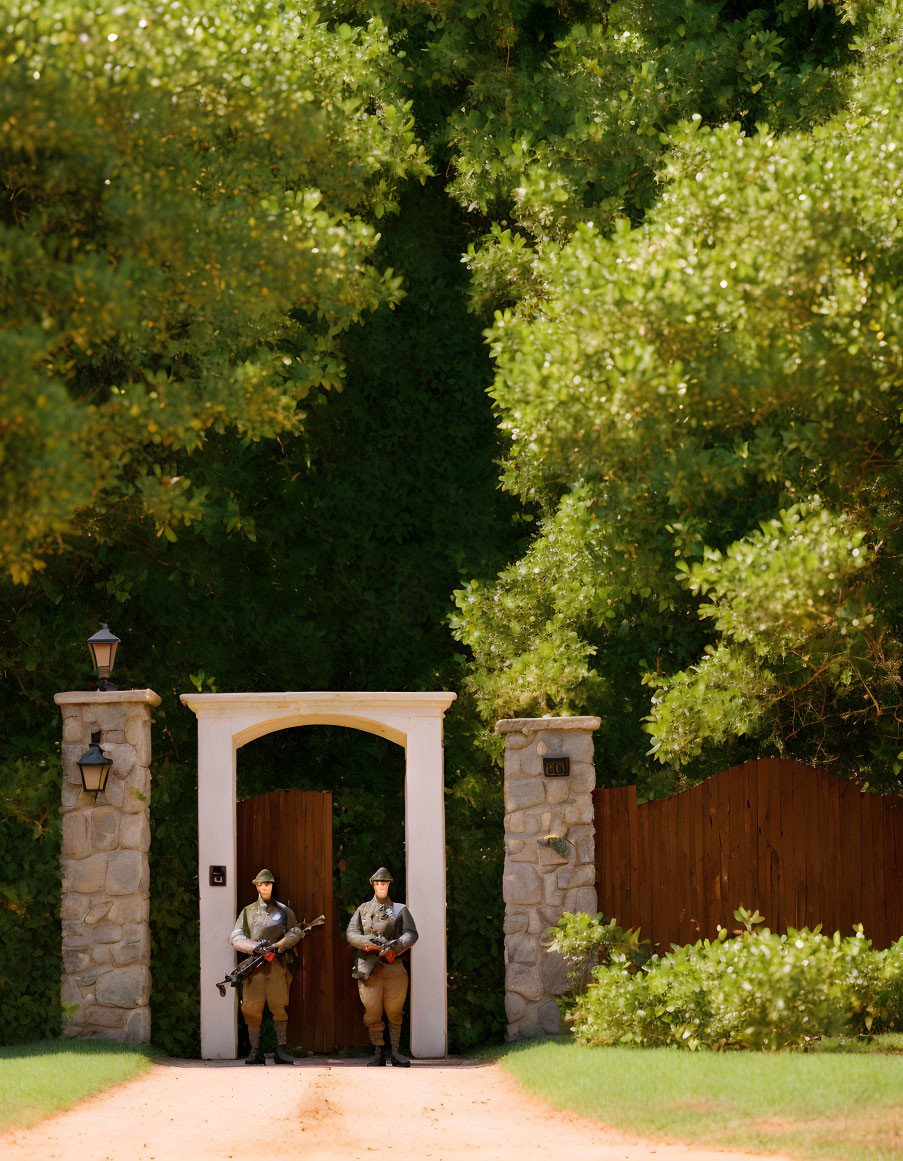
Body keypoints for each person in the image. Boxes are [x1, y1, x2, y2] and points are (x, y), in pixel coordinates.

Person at [346, 866, 418, 1067]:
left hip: (393, 965)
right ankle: (378, 1050)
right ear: (373, 885)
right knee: (372, 1011)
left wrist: (395, 946)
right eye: (378, 883)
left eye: (384, 883)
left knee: (395, 1010)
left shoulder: (399, 909)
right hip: (370, 968)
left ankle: (395, 1051)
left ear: (389, 885)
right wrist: (366, 942)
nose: (381, 886)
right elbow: (351, 933)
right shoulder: (362, 910)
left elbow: (411, 933)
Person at [230, 868, 302, 1065]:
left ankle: (281, 1049)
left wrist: (279, 946)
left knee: (280, 1006)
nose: (265, 887)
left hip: (277, 966)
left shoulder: (284, 911)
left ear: (273, 885)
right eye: (261, 884)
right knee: (252, 1009)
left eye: (268, 884)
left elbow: (295, 933)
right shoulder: (248, 911)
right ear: (257, 886)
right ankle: (255, 1051)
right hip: (256, 969)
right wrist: (255, 948)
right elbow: (235, 937)